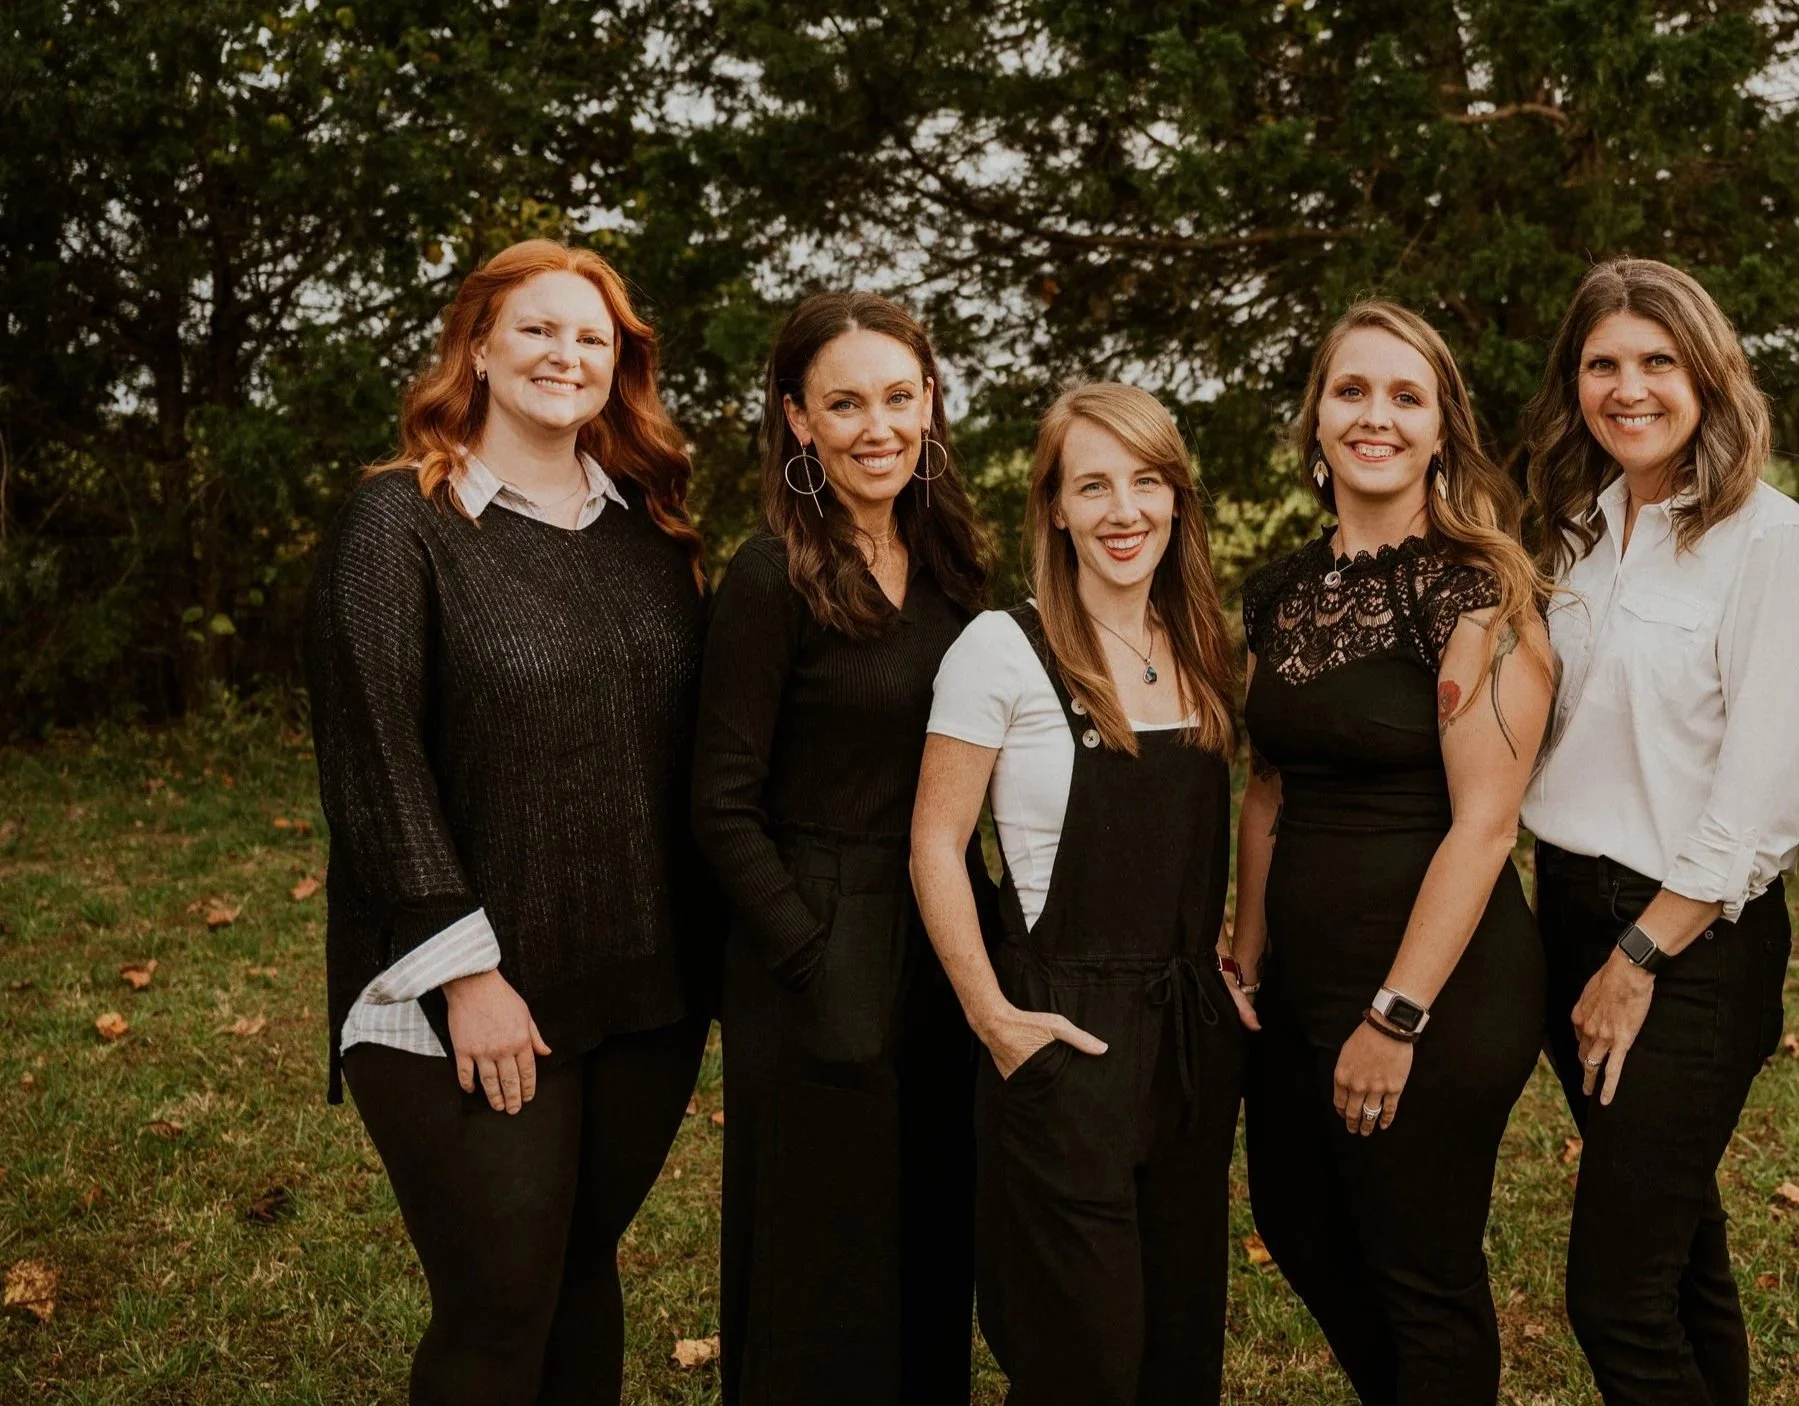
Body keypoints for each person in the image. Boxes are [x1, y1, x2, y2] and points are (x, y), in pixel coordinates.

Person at [304, 239, 714, 1405]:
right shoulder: (399, 523)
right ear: (477, 348)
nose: (563, 354)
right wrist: (467, 973)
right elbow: (372, 759)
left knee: (581, 1271)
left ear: (619, 366)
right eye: (536, 328)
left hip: (639, 983)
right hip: (462, 988)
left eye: (591, 337)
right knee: (498, 1303)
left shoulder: (649, 533)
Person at [1514, 258, 1799, 1406]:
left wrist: (1638, 955)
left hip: (1685, 942)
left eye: (1657, 360)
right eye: (1602, 363)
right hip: (1564, 908)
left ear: (1707, 374)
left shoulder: (1769, 540)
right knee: (1679, 1249)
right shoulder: (1574, 532)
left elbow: (1762, 799)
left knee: (1615, 1295)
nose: (1628, 387)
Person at [1233, 301, 1555, 1404]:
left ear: (1441, 428)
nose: (1376, 415)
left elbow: (1487, 823)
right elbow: (1267, 783)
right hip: (1297, 979)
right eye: (1352, 391)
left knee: (1421, 1268)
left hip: (1437, 987)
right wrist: (1247, 948)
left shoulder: (1479, 593)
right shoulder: (1279, 590)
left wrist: (1395, 1016)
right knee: (1296, 1219)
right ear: (1317, 420)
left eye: (1405, 396)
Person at [909, 383, 1244, 1405]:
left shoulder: (1201, 644)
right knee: (1082, 1359)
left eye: (1146, 482)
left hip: (1187, 1040)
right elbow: (934, 842)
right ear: (1054, 506)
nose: (1123, 510)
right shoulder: (1001, 648)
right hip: (1063, 1032)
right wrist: (993, 1016)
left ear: (1177, 497)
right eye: (1092, 486)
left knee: (1178, 1351)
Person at [689, 291, 993, 1404]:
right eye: (846, 403)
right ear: (797, 419)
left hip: (943, 928)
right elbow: (721, 802)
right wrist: (811, 957)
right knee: (821, 1253)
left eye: (899, 398)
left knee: (930, 1229)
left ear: (931, 404)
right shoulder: (770, 573)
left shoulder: (954, 567)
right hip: (813, 927)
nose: (879, 427)